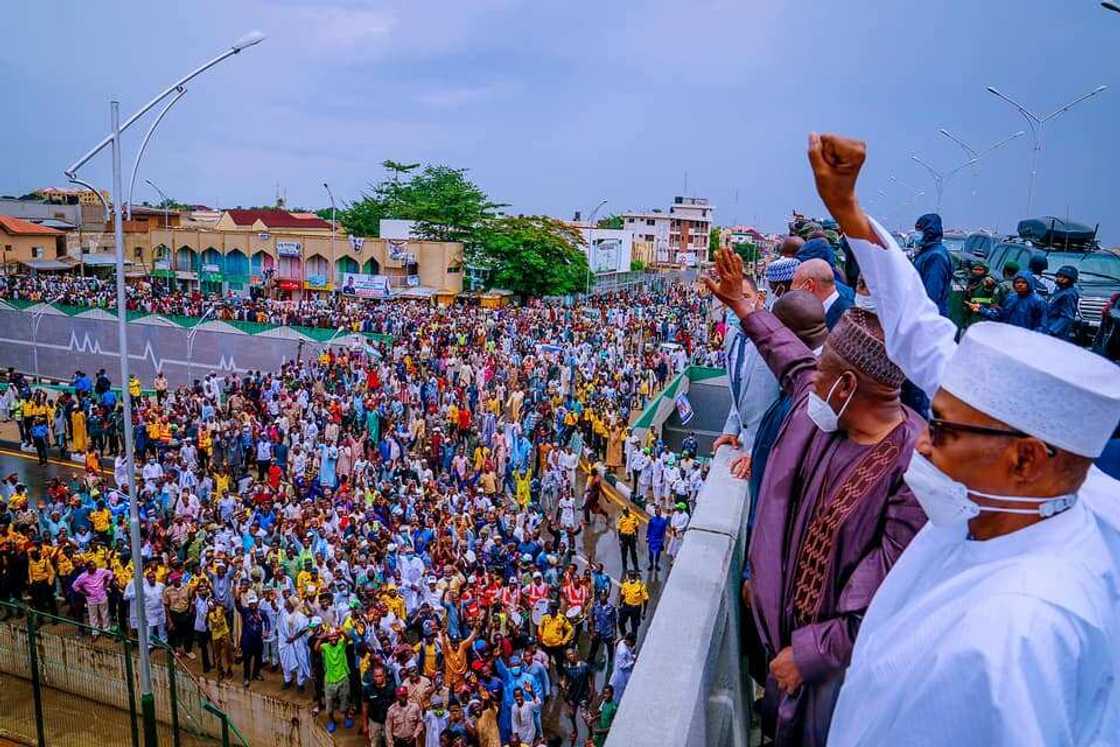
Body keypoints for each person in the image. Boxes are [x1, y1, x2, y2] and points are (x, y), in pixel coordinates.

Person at [808, 130, 1120, 746]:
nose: (923, 442)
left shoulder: (1023, 630)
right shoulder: (1014, 506)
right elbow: (920, 336)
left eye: (943, 429)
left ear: (1026, 458)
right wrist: (848, 211)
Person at [704, 246, 926, 746]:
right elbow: (790, 359)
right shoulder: (824, 408)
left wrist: (808, 654)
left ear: (848, 385)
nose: (809, 380)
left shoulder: (912, 469)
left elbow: (888, 593)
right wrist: (746, 307)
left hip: (834, 681)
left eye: (821, 372)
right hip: (784, 659)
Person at [791, 258, 853, 330]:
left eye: (794, 282)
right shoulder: (817, 309)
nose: (791, 288)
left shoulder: (846, 319)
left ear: (809, 285)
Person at [971, 270, 1044, 331]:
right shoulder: (1011, 298)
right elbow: (1000, 315)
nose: (1020, 285)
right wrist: (981, 309)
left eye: (1023, 282)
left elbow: (1041, 325)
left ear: (1029, 283)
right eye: (1017, 282)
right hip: (1006, 335)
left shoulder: (1038, 301)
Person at [911, 213, 952, 317]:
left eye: (919, 230)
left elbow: (932, 294)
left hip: (929, 316)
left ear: (929, 232)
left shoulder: (936, 256)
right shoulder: (926, 252)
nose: (916, 233)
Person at [316, 627, 353, 733]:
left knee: (345, 700)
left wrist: (341, 632)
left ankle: (347, 717)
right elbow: (316, 648)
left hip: (343, 677)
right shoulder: (325, 647)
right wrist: (322, 637)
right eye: (331, 637)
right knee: (329, 704)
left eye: (335, 636)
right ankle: (331, 721)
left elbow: (347, 638)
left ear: (338, 637)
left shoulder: (342, 644)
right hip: (329, 680)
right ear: (328, 638)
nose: (333, 639)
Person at [1045, 264, 1081, 341]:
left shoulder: (1069, 294)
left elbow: (1067, 317)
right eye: (1059, 276)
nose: (1060, 279)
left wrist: (1052, 331)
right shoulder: (1058, 290)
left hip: (1056, 333)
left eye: (1064, 277)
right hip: (1047, 325)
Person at [617, 570, 647, 639]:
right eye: (629, 576)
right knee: (620, 622)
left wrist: (644, 612)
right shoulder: (625, 584)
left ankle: (633, 641)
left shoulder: (641, 586)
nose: (630, 578)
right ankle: (624, 635)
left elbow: (645, 599)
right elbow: (622, 595)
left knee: (634, 626)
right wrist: (620, 604)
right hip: (626, 606)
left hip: (636, 608)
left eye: (632, 576)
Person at [608, 632, 636, 702]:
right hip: (621, 675)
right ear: (629, 641)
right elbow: (622, 665)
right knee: (618, 691)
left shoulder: (622, 642)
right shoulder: (622, 651)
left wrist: (631, 656)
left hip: (620, 672)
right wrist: (632, 662)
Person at [615, 506, 639, 575]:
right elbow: (619, 530)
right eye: (624, 512)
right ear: (623, 512)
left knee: (633, 552)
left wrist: (636, 536)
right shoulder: (621, 518)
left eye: (626, 511)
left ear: (628, 511)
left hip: (631, 536)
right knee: (624, 553)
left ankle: (636, 567)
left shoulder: (633, 517)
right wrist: (620, 540)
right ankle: (624, 567)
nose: (626, 513)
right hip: (624, 537)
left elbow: (637, 527)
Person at [645, 506, 669, 572]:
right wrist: (647, 537)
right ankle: (651, 564)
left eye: (659, 511)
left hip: (659, 540)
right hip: (652, 539)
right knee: (651, 553)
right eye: (657, 512)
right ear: (655, 513)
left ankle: (656, 564)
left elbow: (664, 532)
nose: (658, 513)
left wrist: (662, 541)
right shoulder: (652, 520)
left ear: (661, 513)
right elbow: (649, 529)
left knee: (658, 553)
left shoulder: (663, 521)